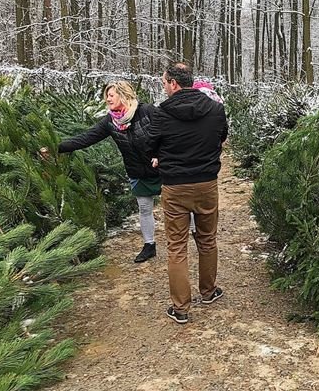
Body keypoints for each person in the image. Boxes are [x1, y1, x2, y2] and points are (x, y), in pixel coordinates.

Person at [40, 81, 161, 263]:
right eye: (107, 95)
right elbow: (86, 137)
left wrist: (162, 155)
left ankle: (194, 233)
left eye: (111, 95)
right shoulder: (110, 121)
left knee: (181, 203)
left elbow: (169, 133)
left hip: (162, 167)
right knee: (144, 208)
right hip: (137, 171)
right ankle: (149, 245)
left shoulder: (147, 111)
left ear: (124, 94)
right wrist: (55, 147)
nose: (108, 98)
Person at [146, 63, 229, 324]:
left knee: (177, 247)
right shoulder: (216, 110)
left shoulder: (161, 114)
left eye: (164, 82)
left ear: (173, 83)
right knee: (207, 240)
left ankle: (181, 308)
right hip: (207, 184)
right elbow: (221, 137)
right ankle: (208, 291)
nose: (164, 87)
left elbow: (150, 145)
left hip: (175, 187)